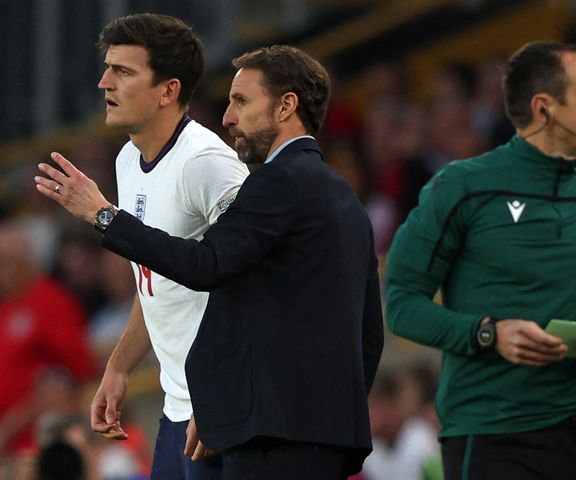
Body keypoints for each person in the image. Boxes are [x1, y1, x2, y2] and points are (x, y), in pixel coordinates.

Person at [35, 44, 383, 480]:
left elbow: (206, 265)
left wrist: (104, 217)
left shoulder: (276, 183)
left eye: (241, 101)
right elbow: (368, 331)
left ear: (286, 106)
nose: (228, 117)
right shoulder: (344, 196)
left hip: (271, 436)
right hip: (323, 433)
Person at [385, 41, 576, 480]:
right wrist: (488, 333)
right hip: (498, 435)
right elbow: (401, 303)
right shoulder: (464, 187)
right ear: (545, 108)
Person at [75, 13, 250, 480]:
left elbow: (257, 282)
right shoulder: (128, 158)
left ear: (168, 91)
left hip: (222, 408)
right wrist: (119, 366)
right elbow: (155, 281)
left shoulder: (209, 165)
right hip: (178, 405)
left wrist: (224, 399)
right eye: (108, 68)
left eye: (124, 72)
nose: (104, 82)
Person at [0, 222, 94, 471]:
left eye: (5, 260)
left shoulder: (50, 302)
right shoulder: (0, 311)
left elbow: (72, 376)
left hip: (30, 451)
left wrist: (0, 434)